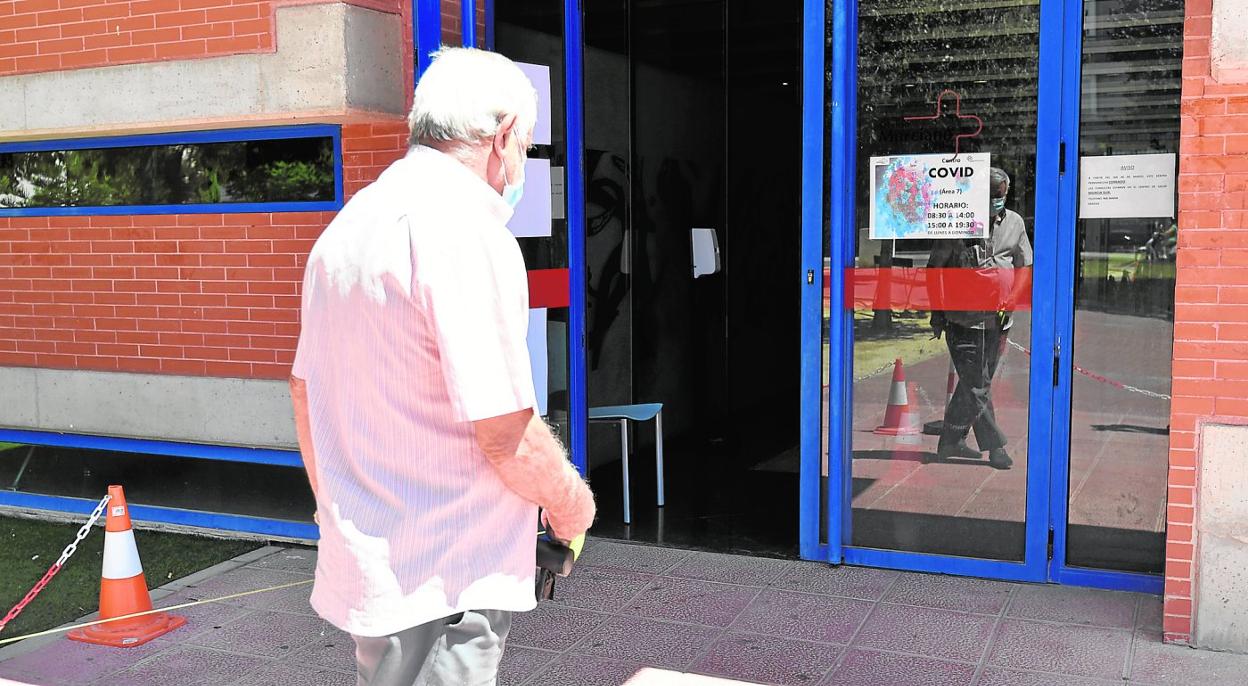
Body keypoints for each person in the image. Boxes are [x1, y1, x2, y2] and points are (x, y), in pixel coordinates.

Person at [289, 48, 596, 686]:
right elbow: (505, 432)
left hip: (376, 567)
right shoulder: (466, 231)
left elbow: (303, 391)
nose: (519, 167)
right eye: (526, 148)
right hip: (448, 576)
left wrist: (340, 511)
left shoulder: (347, 228)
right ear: (503, 134)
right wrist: (573, 507)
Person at [928, 167, 1033, 469]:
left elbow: (1024, 266)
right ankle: (995, 446)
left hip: (999, 321)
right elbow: (935, 272)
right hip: (963, 321)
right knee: (977, 385)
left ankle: (949, 441)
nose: (995, 201)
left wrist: (1014, 295)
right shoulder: (956, 221)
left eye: (999, 196)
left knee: (975, 384)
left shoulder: (1014, 223)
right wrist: (937, 314)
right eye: (989, 196)